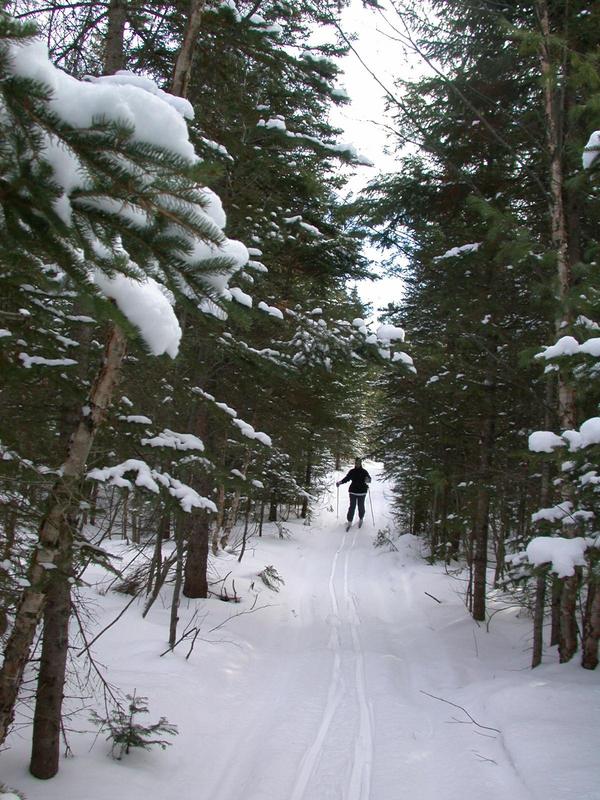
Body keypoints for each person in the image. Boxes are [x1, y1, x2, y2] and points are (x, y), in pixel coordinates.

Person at [336, 457, 371, 530]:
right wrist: (340, 482)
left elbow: (369, 479)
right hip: (353, 492)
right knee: (352, 506)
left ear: (360, 463)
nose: (357, 464)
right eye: (356, 463)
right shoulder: (352, 471)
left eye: (358, 463)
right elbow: (347, 478)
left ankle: (361, 518)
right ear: (355, 463)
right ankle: (349, 521)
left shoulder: (364, 471)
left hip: (362, 492)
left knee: (361, 506)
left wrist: (368, 479)